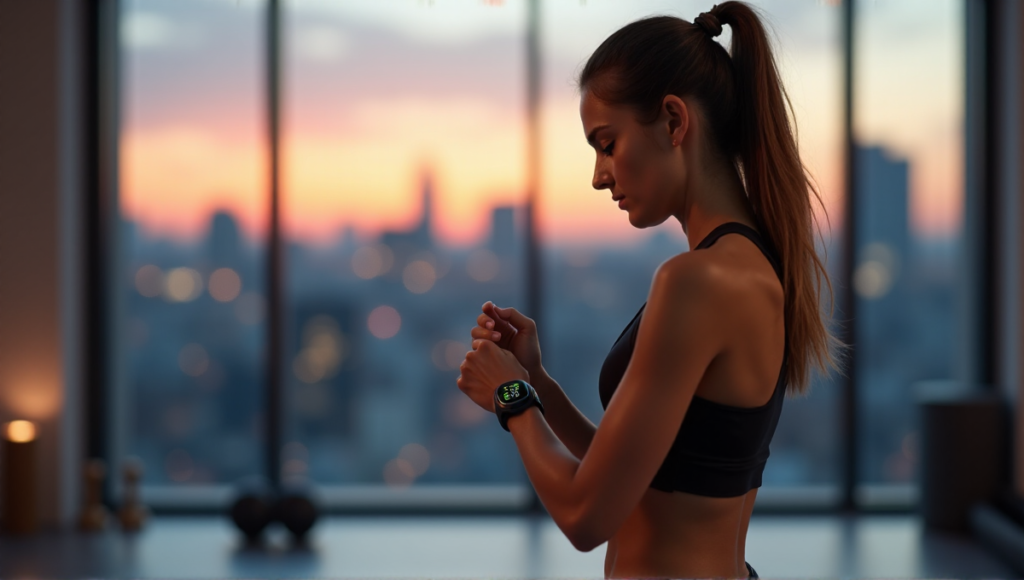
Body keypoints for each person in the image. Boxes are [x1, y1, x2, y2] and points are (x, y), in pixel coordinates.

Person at [456, 2, 841, 578]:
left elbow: (586, 516)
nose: (598, 174)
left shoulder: (696, 281)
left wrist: (512, 400)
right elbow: (631, 476)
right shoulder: (745, 265)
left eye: (606, 143)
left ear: (673, 121)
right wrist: (538, 381)